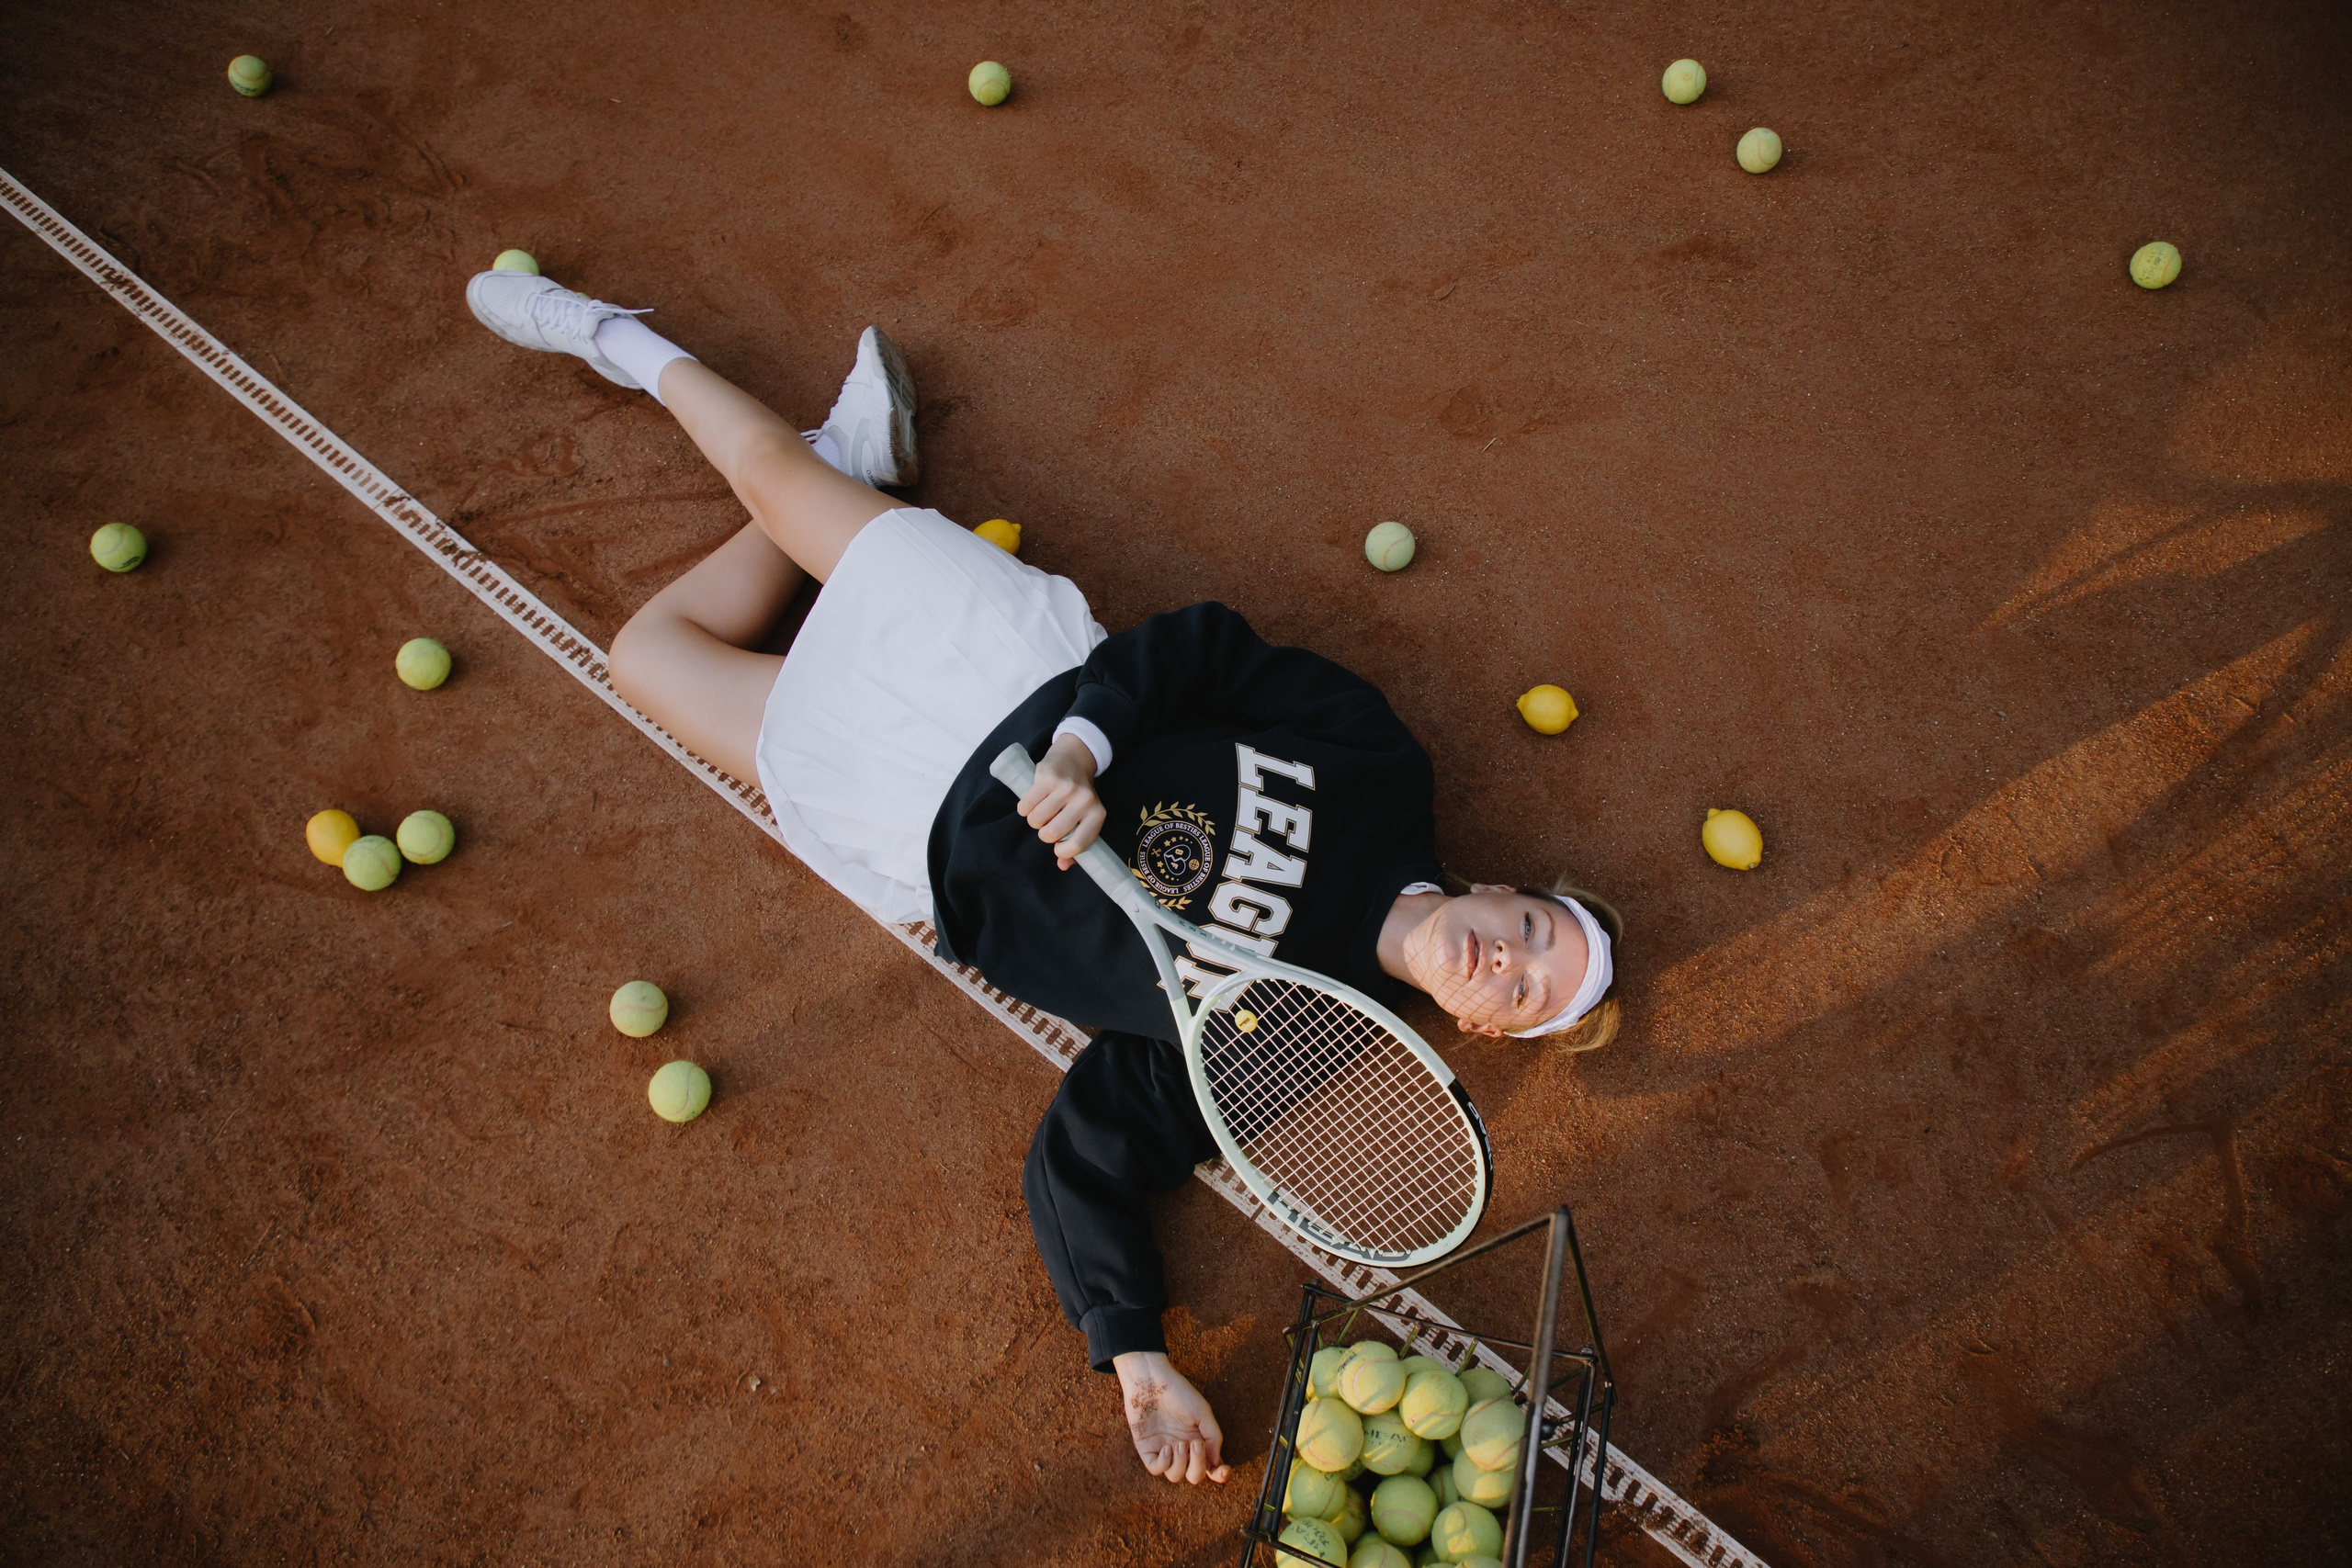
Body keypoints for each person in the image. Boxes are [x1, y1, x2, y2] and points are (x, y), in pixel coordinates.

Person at [465, 269, 1623, 1486]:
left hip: (917, 825)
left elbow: (1094, 1148)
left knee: (644, 655)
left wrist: (1134, 1354)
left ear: (1480, 1027)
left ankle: (849, 459)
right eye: (1534, 929)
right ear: (1501, 889)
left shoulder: (1295, 1037)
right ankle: (617, 339)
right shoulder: (1384, 772)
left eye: (1524, 993)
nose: (1510, 959)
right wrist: (1085, 746)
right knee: (765, 474)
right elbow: (1204, 650)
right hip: (1011, 672)